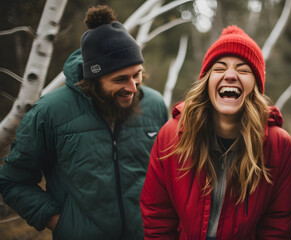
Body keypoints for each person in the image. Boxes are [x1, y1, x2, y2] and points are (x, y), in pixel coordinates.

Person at [0, 5, 168, 240]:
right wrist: (61, 223)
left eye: (137, 74)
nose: (133, 87)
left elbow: (166, 177)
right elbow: (13, 182)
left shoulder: (155, 104)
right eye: (120, 79)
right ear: (93, 78)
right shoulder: (49, 112)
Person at [140, 25, 291, 239]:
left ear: (255, 84)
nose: (231, 75)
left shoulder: (279, 145)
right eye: (220, 68)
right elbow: (157, 217)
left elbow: (278, 225)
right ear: (207, 81)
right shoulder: (171, 136)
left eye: (243, 69)